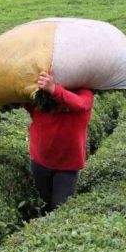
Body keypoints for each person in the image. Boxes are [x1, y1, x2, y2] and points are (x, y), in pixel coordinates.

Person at [23, 72, 93, 213]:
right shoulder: (42, 96)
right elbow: (26, 103)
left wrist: (54, 89)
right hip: (40, 161)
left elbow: (80, 105)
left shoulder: (84, 93)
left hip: (67, 166)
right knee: (44, 203)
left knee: (59, 207)